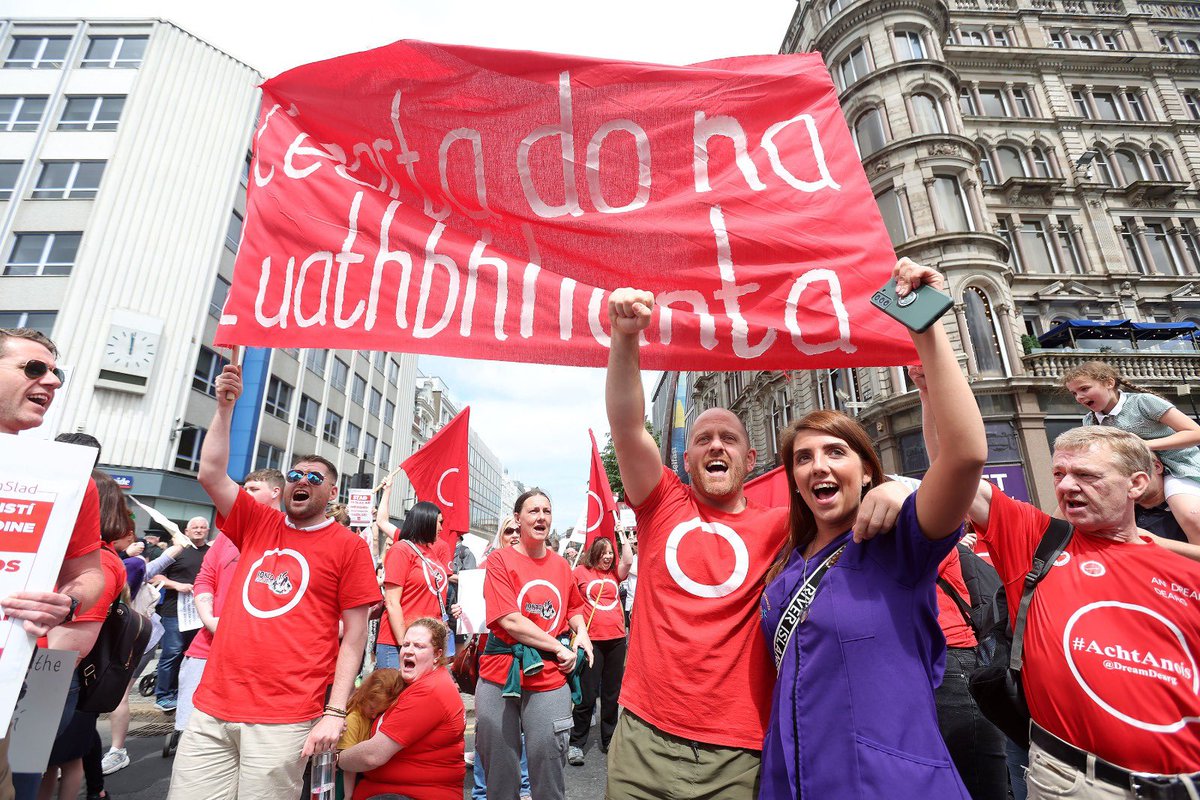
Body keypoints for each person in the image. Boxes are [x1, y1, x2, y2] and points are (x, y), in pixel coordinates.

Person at [603, 289, 907, 798]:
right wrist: (625, 336)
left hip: (740, 751)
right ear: (685, 459)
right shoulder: (660, 505)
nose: (716, 445)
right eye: (703, 439)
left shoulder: (789, 527)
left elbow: (853, 491)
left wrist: (897, 486)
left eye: (728, 439)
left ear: (750, 458)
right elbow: (627, 424)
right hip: (643, 740)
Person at [757, 258, 986, 799]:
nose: (819, 466)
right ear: (792, 480)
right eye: (804, 458)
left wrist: (926, 326)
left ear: (866, 468)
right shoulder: (787, 564)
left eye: (836, 451)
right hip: (792, 780)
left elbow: (964, 456)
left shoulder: (897, 543)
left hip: (889, 783)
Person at [167, 364, 380, 800]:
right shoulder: (257, 521)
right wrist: (225, 407)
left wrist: (336, 712)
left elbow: (355, 637)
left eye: (314, 478)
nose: (302, 481)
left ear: (332, 494)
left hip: (285, 715)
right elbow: (209, 474)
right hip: (213, 705)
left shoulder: (349, 547)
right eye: (296, 475)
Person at [957, 424, 1200, 796]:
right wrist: (931, 379)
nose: (1067, 486)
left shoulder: (1187, 575)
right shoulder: (1038, 541)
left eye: (1086, 475)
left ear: (1136, 483)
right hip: (1075, 784)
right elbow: (958, 467)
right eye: (1059, 473)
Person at [0, 328, 104, 800]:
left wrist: (63, 602)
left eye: (56, 373)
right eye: (34, 368)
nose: (53, 382)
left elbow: (90, 575)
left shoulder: (68, 479)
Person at [476, 489, 593, 800]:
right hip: (501, 675)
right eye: (533, 511)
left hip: (550, 678)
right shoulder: (499, 560)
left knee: (548, 765)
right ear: (518, 518)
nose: (541, 517)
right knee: (500, 772)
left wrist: (581, 633)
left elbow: (574, 609)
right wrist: (559, 647)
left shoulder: (561, 566)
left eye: (546, 511)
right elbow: (509, 620)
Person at [35, 471, 133, 800]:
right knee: (49, 763)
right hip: (58, 672)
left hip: (55, 672)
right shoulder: (104, 558)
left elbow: (73, 638)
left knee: (36, 763)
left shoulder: (102, 562)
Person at [171, 468, 285, 740]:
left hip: (257, 656)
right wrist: (210, 621)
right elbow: (205, 578)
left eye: (254, 489)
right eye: (244, 488)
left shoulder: (289, 534)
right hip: (206, 647)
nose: (245, 494)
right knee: (192, 736)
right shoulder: (225, 535)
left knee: (246, 739)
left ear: (276, 492)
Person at [1065, 360, 1200, 544]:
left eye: (1084, 389)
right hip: (1133, 475)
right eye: (1074, 393)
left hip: (1177, 468)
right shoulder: (1089, 421)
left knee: (1190, 515)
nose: (1079, 397)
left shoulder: (1143, 402)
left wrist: (1146, 445)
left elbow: (1195, 432)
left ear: (1109, 383)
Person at [339, 618, 465, 800]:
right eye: (406, 644)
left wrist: (336, 759)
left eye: (419, 646)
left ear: (437, 654)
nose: (409, 651)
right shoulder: (414, 683)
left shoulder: (430, 691)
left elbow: (372, 756)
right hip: (390, 789)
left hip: (413, 794)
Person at [466, 515, 532, 800]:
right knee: (489, 728)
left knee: (528, 725)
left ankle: (525, 788)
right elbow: (472, 614)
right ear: (500, 536)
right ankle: (482, 791)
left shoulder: (534, 568)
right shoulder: (485, 568)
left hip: (527, 659)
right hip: (491, 656)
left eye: (519, 530)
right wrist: (462, 614)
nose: (515, 534)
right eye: (509, 530)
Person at [568, 532, 633, 765]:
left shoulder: (615, 574)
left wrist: (622, 536)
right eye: (604, 552)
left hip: (616, 640)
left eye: (610, 553)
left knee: (611, 695)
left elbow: (628, 560)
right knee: (586, 695)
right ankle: (576, 743)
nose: (608, 556)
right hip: (591, 641)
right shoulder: (580, 573)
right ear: (594, 553)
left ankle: (609, 740)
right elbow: (569, 602)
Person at [374, 496, 447, 670]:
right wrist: (406, 644)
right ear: (426, 521)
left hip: (426, 642)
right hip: (398, 644)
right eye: (439, 522)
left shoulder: (431, 553)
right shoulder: (402, 550)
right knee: (395, 696)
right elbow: (392, 602)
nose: (441, 528)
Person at [152, 516, 211, 712]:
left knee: (193, 654)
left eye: (202, 527)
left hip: (201, 613)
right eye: (194, 527)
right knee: (172, 652)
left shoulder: (211, 553)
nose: (198, 530)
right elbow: (154, 575)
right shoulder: (176, 551)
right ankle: (164, 695)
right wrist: (177, 585)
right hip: (174, 611)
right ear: (186, 531)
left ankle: (186, 694)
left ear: (207, 531)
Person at [336, 668, 406, 799]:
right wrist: (348, 795)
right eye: (372, 708)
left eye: (379, 712)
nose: (374, 715)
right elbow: (348, 764)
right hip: (346, 778)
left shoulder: (370, 716)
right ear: (365, 695)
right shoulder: (353, 720)